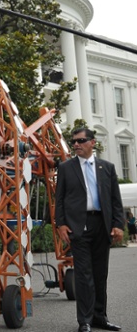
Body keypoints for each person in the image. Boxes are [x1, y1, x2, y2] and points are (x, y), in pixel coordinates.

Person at [55, 127, 124, 332]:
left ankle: (99, 318)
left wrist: (118, 225)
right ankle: (84, 320)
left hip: (101, 225)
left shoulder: (107, 168)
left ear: (92, 143)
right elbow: (59, 199)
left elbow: (115, 200)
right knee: (84, 275)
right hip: (79, 226)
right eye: (74, 141)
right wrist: (61, 224)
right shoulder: (66, 168)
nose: (76, 144)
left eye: (81, 140)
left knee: (100, 274)